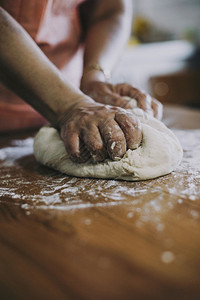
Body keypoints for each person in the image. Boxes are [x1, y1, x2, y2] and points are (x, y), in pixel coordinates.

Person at [0, 0, 162, 163]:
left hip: (75, 106)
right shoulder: (72, 108)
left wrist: (93, 78)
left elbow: (109, 10)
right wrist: (70, 105)